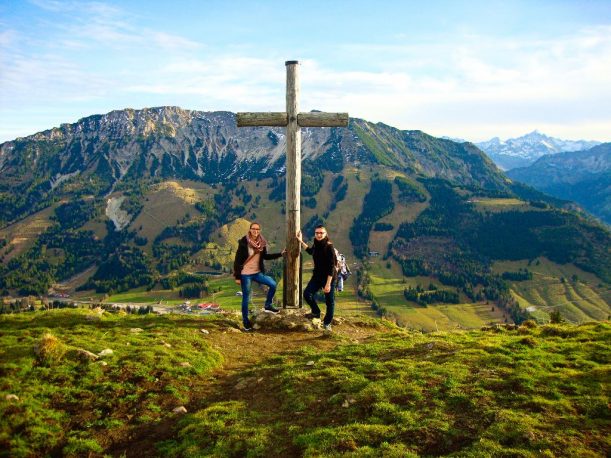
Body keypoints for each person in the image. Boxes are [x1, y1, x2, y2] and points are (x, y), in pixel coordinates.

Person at [233, 222, 284, 331]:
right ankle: (246, 322)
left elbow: (265, 256)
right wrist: (237, 277)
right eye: (253, 229)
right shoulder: (244, 242)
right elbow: (237, 260)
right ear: (250, 230)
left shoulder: (262, 243)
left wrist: (280, 254)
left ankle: (268, 305)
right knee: (246, 297)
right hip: (245, 274)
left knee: (273, 284)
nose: (256, 231)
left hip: (257, 272)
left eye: (257, 229)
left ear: (259, 230)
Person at [296, 225, 336, 331]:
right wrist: (300, 241)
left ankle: (327, 323)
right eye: (317, 233)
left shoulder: (329, 247)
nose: (319, 235)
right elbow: (310, 251)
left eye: (321, 233)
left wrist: (328, 284)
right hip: (317, 276)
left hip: (329, 277)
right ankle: (316, 312)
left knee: (329, 301)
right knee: (307, 294)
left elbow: (332, 267)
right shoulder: (316, 243)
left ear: (325, 234)